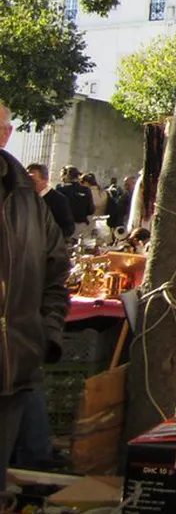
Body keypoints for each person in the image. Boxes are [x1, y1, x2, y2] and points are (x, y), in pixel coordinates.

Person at [0, 101, 70, 491]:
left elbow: (56, 274)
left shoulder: (28, 199)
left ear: (7, 134)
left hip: (13, 369)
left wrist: (45, 333)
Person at [27, 163, 75, 239]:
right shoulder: (26, 198)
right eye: (27, 181)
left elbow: (68, 228)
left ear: (45, 180)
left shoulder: (59, 200)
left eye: (34, 182)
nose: (29, 185)